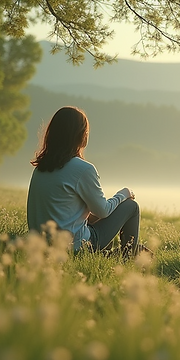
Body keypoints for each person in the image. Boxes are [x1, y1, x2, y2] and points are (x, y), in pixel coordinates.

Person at [27, 106, 146, 258]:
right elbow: (102, 211)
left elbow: (72, 211)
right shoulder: (82, 169)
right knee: (131, 206)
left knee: (95, 216)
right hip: (74, 247)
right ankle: (130, 255)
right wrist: (124, 194)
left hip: (41, 247)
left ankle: (112, 255)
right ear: (82, 135)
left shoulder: (41, 168)